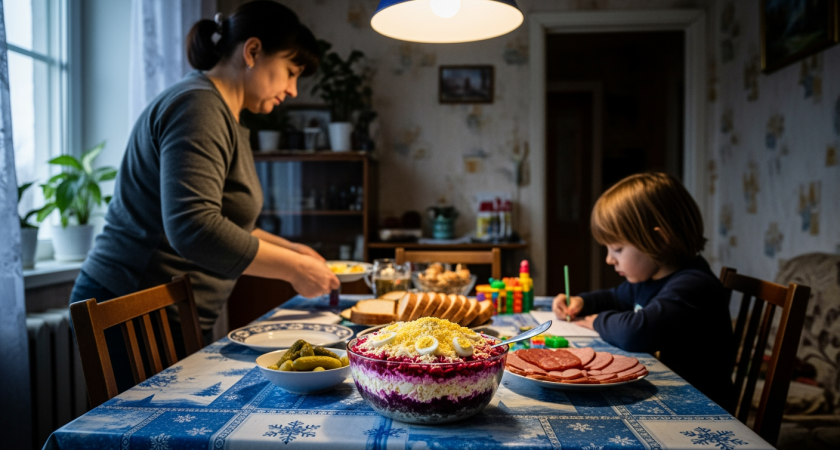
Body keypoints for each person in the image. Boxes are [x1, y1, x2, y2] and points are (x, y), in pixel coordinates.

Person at [70, 1, 339, 390]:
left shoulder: (224, 114)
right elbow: (194, 227)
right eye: (291, 72)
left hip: (163, 310)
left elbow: (227, 225)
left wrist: (293, 252)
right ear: (252, 51)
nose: (293, 90)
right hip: (132, 301)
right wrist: (294, 270)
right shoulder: (199, 106)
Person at [552, 172, 736, 411]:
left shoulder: (693, 286)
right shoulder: (650, 278)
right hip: (670, 393)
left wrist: (598, 320)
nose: (609, 259)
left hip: (701, 407)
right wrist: (580, 302)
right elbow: (614, 297)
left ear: (659, 240)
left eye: (617, 248)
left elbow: (636, 332)